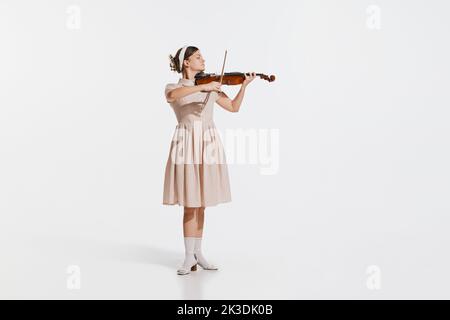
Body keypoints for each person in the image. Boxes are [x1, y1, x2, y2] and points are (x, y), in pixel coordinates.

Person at [163, 45, 256, 275]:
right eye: (198, 57)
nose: (203, 60)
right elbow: (172, 96)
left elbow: (233, 107)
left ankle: (198, 253)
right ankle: (187, 258)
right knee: (189, 203)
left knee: (201, 202)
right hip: (186, 142)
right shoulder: (174, 87)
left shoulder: (211, 87)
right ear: (186, 63)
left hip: (207, 142)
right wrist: (204, 86)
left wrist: (243, 87)